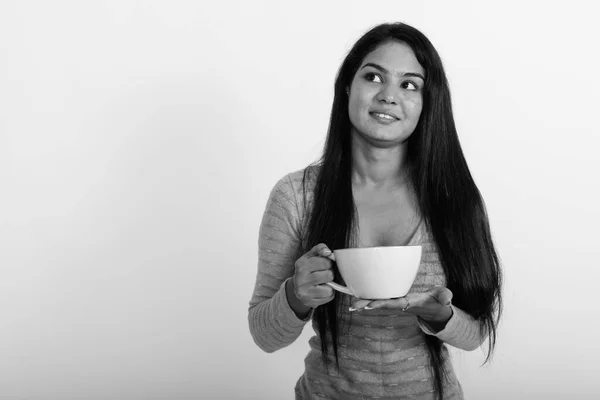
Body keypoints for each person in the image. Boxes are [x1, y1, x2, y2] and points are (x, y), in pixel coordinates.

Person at [248, 22, 502, 400]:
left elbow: (476, 332)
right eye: (373, 77)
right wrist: (296, 296)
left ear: (427, 103)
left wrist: (439, 316)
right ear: (348, 85)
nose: (388, 96)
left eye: (409, 84)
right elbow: (264, 335)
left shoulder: (454, 198)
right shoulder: (296, 196)